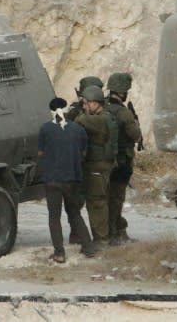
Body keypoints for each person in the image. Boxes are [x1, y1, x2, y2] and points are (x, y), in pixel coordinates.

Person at [37, 97, 95, 263]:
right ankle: (88, 247)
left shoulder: (45, 129)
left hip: (52, 180)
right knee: (75, 213)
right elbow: (84, 151)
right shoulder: (78, 129)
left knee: (54, 217)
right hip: (72, 178)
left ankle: (59, 253)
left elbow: (41, 153)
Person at [74, 85, 117, 248]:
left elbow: (81, 120)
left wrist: (77, 113)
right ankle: (102, 237)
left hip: (98, 166)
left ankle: (101, 239)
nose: (84, 107)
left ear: (94, 103)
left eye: (86, 103)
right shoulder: (105, 116)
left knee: (97, 202)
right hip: (100, 165)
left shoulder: (101, 119)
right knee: (98, 200)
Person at [103, 73, 142, 245]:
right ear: (121, 93)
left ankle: (108, 232)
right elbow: (136, 136)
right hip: (121, 163)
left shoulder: (100, 107)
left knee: (104, 198)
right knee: (117, 199)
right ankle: (114, 234)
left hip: (102, 161)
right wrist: (135, 122)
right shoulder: (124, 113)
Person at [64, 75, 102, 245]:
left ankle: (80, 233)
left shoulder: (76, 112)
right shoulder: (73, 112)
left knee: (89, 200)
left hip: (85, 160)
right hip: (81, 161)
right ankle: (77, 232)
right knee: (78, 200)